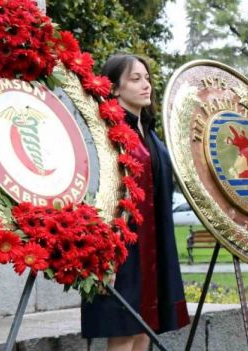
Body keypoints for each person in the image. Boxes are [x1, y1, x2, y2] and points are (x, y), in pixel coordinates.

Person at [81, 54, 190, 351]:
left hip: (153, 243)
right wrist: (104, 254)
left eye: (147, 78)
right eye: (135, 79)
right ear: (114, 89)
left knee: (145, 327)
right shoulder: (106, 134)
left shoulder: (148, 133)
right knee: (123, 330)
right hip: (120, 246)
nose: (146, 85)